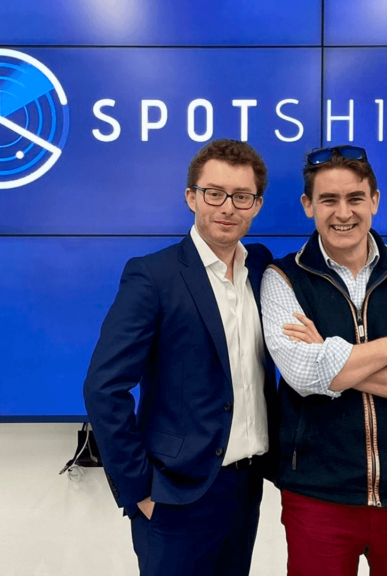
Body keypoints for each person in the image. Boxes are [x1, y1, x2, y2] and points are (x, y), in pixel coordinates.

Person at [260, 145, 387, 576]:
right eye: (328, 200)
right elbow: (304, 375)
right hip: (318, 496)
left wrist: (333, 360)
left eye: (355, 198)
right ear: (308, 205)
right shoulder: (282, 278)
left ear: (374, 200)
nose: (343, 213)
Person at [83, 139, 279, 576]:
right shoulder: (153, 275)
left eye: (241, 196)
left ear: (256, 205)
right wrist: (139, 490)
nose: (227, 207)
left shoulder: (262, 268)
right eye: (214, 193)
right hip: (173, 494)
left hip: (246, 487)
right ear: (191, 197)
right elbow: (103, 387)